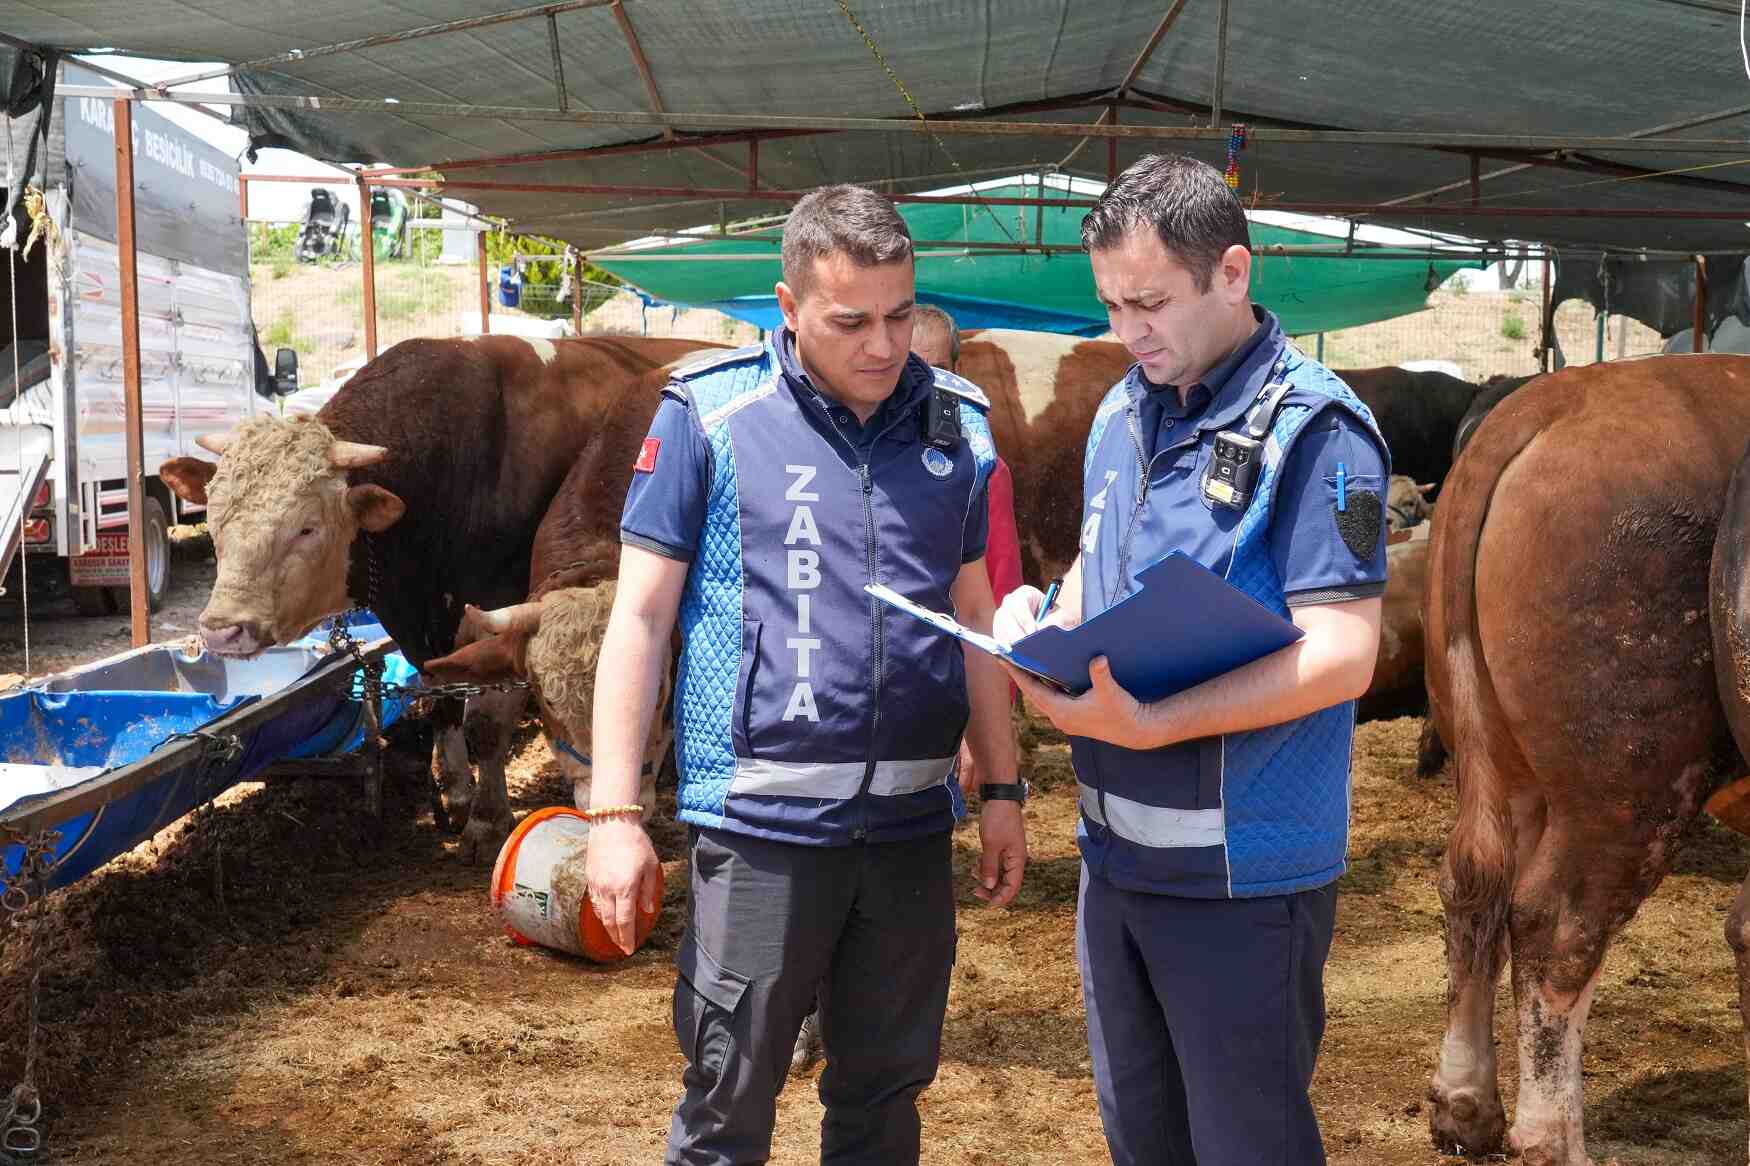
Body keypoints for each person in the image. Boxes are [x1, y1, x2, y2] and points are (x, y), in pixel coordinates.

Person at [587, 184, 1029, 1166]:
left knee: (883, 1095)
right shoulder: (710, 412)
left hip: (911, 833)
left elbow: (974, 618)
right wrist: (613, 816)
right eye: (850, 322)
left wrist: (1001, 787)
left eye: (900, 315)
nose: (882, 345)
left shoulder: (957, 425)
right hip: (759, 836)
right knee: (727, 1099)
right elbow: (640, 615)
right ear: (786, 309)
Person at [996, 154, 1387, 1165]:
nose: (1129, 331)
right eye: (1113, 305)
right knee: (1144, 1141)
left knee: (1244, 1143)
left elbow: (1344, 652)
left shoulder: (1316, 429)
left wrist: (1157, 722)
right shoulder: (1124, 412)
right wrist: (1040, 628)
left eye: (1151, 302)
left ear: (1231, 273)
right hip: (1115, 860)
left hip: (1238, 874)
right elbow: (1097, 560)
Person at [911, 304, 1023, 796]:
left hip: (946, 697)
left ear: (957, 373)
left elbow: (996, 594)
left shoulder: (981, 469)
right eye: (908, 364)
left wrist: (983, 728)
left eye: (934, 367)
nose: (919, 381)